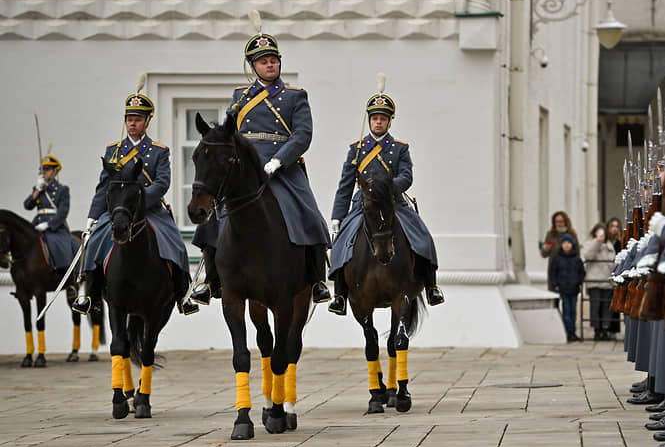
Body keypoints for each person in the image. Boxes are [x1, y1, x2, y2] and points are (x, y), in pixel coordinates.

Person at [189, 23, 331, 306]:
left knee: (310, 215)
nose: (270, 65)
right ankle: (209, 280)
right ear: (253, 67)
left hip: (283, 167)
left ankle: (317, 280)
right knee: (214, 217)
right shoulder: (240, 96)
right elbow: (231, 132)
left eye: (273, 60)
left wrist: (280, 159)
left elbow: (303, 135)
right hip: (246, 168)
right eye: (263, 61)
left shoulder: (294, 96)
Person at [72, 91, 198, 316]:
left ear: (147, 122)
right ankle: (90, 294)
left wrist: (140, 202)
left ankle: (183, 294)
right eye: (129, 119)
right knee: (95, 242)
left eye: (138, 119)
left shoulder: (159, 151)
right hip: (119, 211)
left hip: (149, 210)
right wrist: (93, 216)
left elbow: (161, 183)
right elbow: (104, 187)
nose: (132, 123)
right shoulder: (114, 150)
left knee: (176, 242)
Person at [327, 83, 443, 314]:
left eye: (383, 118)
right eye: (375, 118)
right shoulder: (356, 149)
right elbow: (345, 185)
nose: (378, 122)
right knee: (341, 244)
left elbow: (406, 176)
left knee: (423, 237)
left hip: (393, 202)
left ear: (390, 122)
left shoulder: (399, 148)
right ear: (369, 120)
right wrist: (337, 217)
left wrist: (387, 188)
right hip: (364, 204)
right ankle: (339, 294)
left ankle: (431, 286)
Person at [21, 154, 78, 368]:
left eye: (49, 170)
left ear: (56, 171)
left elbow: (63, 212)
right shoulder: (41, 189)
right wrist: (37, 190)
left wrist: (50, 224)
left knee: (61, 246)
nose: (46, 173)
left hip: (54, 227)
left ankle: (68, 278)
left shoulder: (62, 190)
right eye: (43, 170)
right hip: (37, 225)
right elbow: (27, 205)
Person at [581, 223, 615, 340]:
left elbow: (613, 262)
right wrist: (597, 242)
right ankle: (597, 330)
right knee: (595, 307)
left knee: (606, 306)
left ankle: (605, 329)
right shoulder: (589, 244)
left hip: (606, 280)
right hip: (594, 280)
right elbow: (588, 256)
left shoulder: (609, 246)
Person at [548, 233, 584, 342]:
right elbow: (552, 272)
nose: (567, 245)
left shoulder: (577, 259)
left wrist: (578, 282)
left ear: (572, 244)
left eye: (569, 243)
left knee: (573, 312)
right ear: (561, 245)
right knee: (566, 311)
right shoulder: (557, 259)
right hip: (563, 289)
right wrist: (555, 285)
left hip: (574, 289)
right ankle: (569, 331)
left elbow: (581, 272)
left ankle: (572, 332)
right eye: (564, 243)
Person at [540, 211, 580, 291]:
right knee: (554, 296)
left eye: (561, 221)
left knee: (568, 298)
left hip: (569, 270)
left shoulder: (572, 234)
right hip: (554, 271)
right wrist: (546, 248)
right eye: (556, 222)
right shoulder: (550, 234)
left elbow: (577, 253)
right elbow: (544, 254)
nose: (559, 224)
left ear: (566, 222)